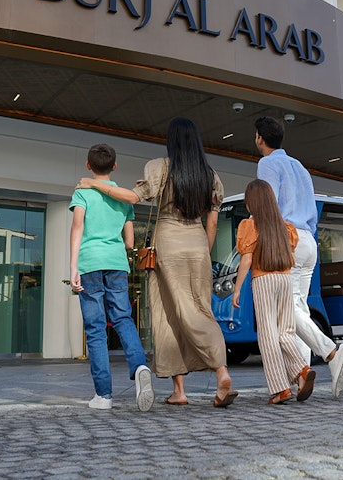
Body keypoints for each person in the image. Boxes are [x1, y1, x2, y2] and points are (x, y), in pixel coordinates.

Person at [79, 118, 237, 408]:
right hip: (198, 242)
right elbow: (212, 221)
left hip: (169, 241)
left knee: (168, 311)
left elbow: (132, 196)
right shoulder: (210, 175)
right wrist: (203, 249)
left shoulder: (160, 167)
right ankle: (210, 377)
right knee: (201, 308)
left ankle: (197, 381)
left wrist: (92, 184)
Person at [254, 115, 343, 398]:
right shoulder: (299, 166)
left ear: (259, 138)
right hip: (309, 239)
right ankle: (302, 375)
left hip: (287, 239)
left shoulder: (267, 163)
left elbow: (267, 204)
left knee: (286, 311)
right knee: (298, 307)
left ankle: (331, 352)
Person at [69, 143, 155, 411]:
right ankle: (139, 364)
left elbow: (77, 228)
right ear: (114, 166)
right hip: (116, 264)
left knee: (95, 330)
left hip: (90, 264)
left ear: (88, 165)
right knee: (122, 318)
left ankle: (103, 396)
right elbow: (130, 242)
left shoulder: (83, 192)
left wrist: (73, 266)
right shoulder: (122, 195)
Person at [232, 179, 316, 404]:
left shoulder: (250, 226)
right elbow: (291, 251)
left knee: (268, 334)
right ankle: (302, 370)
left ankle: (281, 388)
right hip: (285, 279)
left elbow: (246, 259)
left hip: (264, 279)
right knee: (286, 331)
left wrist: (237, 288)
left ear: (252, 203)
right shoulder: (285, 227)